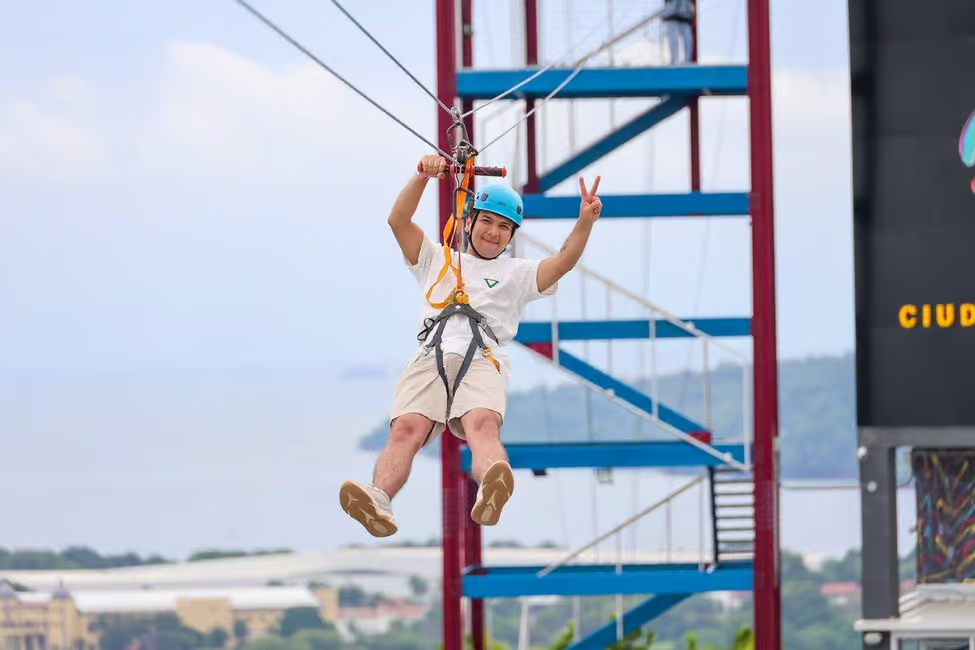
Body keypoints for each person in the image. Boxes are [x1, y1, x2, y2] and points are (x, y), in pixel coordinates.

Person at [339, 153, 603, 537]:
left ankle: (492, 485)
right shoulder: (435, 258)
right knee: (405, 430)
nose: (493, 232)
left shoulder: (517, 273)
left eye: (504, 227)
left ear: (512, 236)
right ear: (469, 222)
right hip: (430, 354)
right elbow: (398, 220)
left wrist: (584, 223)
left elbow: (563, 261)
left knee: (482, 425)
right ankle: (379, 499)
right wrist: (421, 176)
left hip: (482, 356)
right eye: (487, 222)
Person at [662, 0, 695, 65]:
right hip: (672, 14)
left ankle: (686, 60)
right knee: (674, 38)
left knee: (687, 38)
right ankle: (674, 60)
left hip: (685, 14)